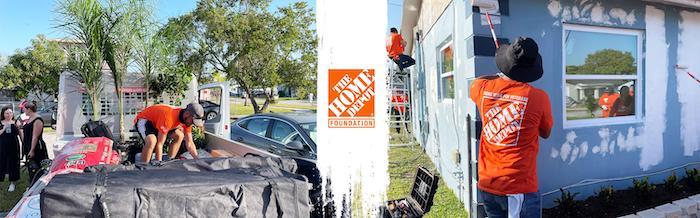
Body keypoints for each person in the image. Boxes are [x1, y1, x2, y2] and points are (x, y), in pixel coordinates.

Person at [469, 37, 553, 218]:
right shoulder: (539, 98)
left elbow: (477, 80)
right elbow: (546, 132)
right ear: (531, 69)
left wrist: (501, 72)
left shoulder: (482, 88)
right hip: (519, 188)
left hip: (488, 184)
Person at [134, 103, 205, 163]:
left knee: (179, 135)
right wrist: (159, 163)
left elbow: (189, 143)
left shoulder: (186, 121)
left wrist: (197, 160)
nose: (193, 124)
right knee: (152, 141)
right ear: (187, 114)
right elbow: (160, 144)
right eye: (192, 121)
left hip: (159, 123)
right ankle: (143, 168)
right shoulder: (169, 117)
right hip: (146, 120)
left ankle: (169, 160)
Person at [20, 102, 49, 185]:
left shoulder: (37, 120)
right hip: (28, 146)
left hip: (36, 147)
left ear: (29, 109)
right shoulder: (30, 118)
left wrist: (32, 150)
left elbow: (35, 136)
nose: (23, 110)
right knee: (31, 167)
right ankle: (32, 183)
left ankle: (40, 185)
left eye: (24, 109)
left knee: (38, 167)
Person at [0, 107, 22, 192]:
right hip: (2, 145)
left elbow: (20, 133)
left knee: (13, 163)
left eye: (10, 113)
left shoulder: (16, 122)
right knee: (1, 162)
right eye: (7, 113)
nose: (9, 115)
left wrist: (24, 144)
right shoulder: (1, 123)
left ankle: (12, 183)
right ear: (3, 114)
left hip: (14, 145)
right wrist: (4, 128)